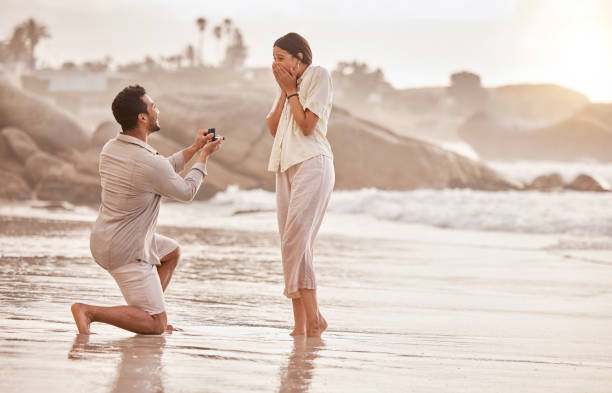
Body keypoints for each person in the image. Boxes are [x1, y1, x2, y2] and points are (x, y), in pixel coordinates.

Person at [71, 85, 223, 334]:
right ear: (142, 117)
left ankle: (148, 310)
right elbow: (185, 192)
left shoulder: (111, 149)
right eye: (153, 107)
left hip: (106, 239)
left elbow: (160, 168)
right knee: (156, 326)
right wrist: (204, 157)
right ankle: (93, 311)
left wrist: (195, 148)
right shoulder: (147, 161)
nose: (157, 111)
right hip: (125, 249)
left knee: (171, 252)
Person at [266, 33, 335, 337]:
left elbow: (307, 126)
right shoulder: (287, 87)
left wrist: (292, 90)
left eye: (281, 58)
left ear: (300, 58)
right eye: (274, 58)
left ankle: (315, 318)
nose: (275, 64)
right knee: (290, 244)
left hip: (312, 162)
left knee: (297, 239)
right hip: (285, 166)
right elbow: (273, 127)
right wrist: (284, 91)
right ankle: (301, 325)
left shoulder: (318, 75)